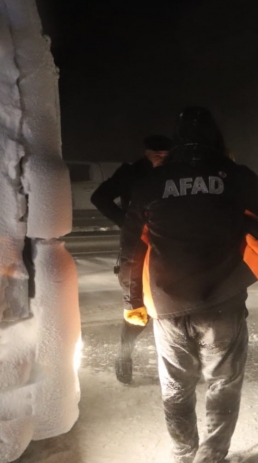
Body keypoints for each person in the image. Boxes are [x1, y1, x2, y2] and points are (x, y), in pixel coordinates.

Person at [118, 107, 258, 463]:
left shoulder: (151, 183)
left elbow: (130, 250)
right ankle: (211, 462)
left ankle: (185, 461)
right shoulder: (234, 176)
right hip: (222, 300)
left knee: (176, 386)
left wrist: (131, 301)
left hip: (166, 303)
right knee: (223, 383)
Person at [90, 134, 172, 384]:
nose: (160, 157)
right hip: (138, 247)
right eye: (155, 152)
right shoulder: (131, 173)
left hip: (168, 246)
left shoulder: (176, 172)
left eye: (165, 153)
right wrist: (126, 223)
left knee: (170, 304)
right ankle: (123, 357)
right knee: (137, 307)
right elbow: (99, 197)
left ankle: (174, 363)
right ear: (145, 152)